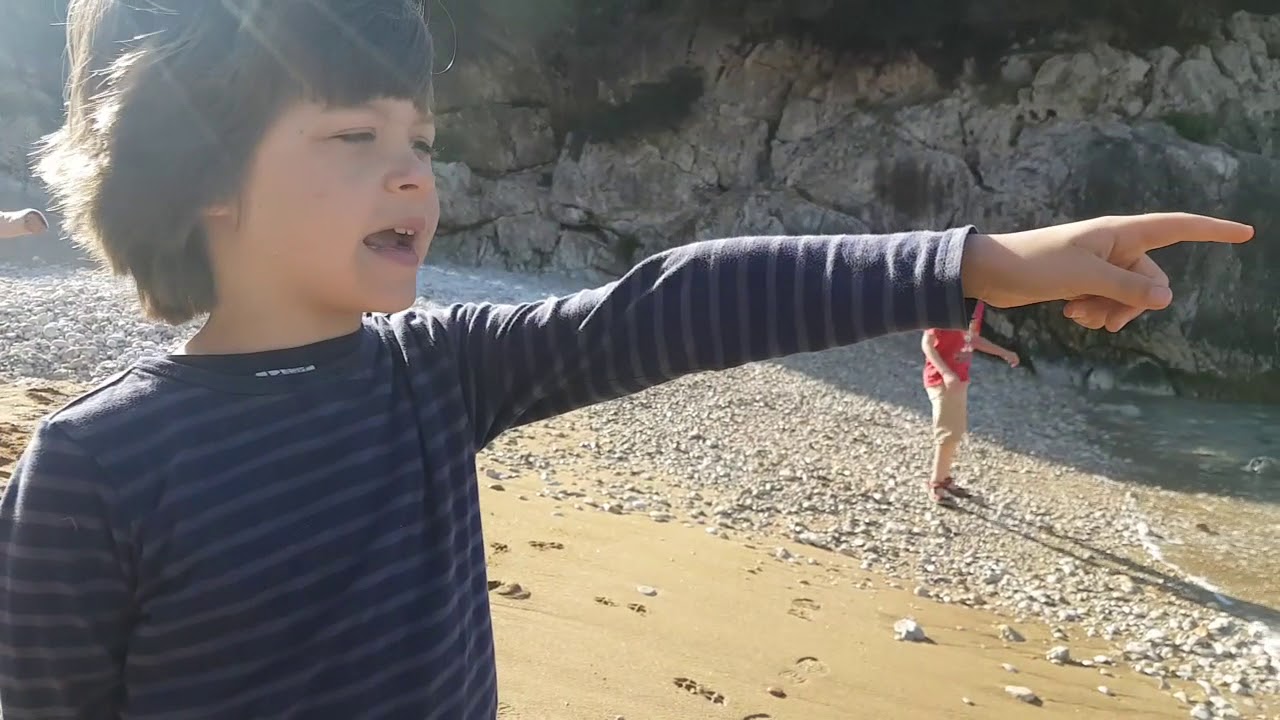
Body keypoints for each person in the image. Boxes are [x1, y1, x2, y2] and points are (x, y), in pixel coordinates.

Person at [0, 0, 1254, 718]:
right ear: (200, 176)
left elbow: (673, 302)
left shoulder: (433, 374)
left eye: (420, 136)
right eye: (351, 134)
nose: (412, 171)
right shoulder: (98, 464)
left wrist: (981, 259)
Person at [921, 300, 1019, 505]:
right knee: (947, 431)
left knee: (954, 431)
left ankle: (944, 479)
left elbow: (971, 339)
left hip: (960, 377)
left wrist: (1003, 352)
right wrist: (946, 373)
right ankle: (936, 484)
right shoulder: (946, 300)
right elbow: (927, 343)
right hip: (942, 379)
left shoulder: (978, 306)